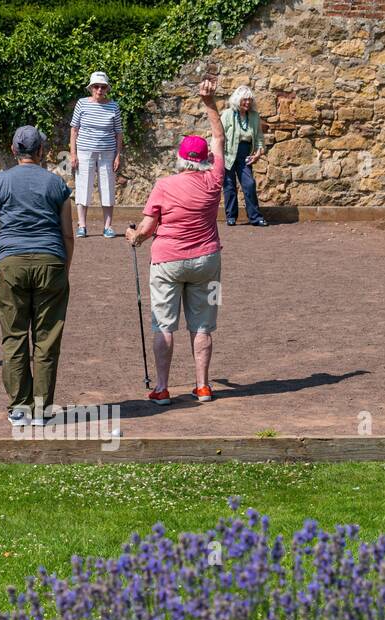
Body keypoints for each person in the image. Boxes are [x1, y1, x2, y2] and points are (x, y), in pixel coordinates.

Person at [125, 75, 224, 405]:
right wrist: (210, 105)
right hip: (207, 261)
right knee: (203, 327)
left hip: (167, 262)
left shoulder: (164, 185)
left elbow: (147, 227)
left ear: (181, 159)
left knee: (164, 326)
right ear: (205, 159)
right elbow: (220, 139)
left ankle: (163, 388)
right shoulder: (214, 181)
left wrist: (133, 237)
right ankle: (204, 386)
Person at [0, 125, 74, 427]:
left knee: (14, 337)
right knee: (46, 340)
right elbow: (68, 235)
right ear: (42, 151)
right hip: (51, 261)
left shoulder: (0, 182)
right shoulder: (56, 184)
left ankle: (19, 408)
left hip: (10, 262)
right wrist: (63, 268)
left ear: (13, 149)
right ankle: (42, 409)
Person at [69, 71, 123, 238]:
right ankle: (82, 225)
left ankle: (108, 226)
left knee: (107, 187)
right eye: (96, 86)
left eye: (103, 86)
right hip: (85, 151)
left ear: (107, 88)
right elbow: (74, 129)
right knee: (83, 186)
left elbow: (119, 132)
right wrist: (73, 153)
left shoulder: (113, 106)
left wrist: (118, 154)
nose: (99, 89)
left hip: (107, 152)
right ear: (91, 88)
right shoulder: (82, 104)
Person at [220, 85, 266, 227]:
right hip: (228, 153)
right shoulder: (227, 114)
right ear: (237, 100)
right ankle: (231, 216)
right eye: (244, 100)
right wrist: (217, 155)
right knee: (229, 186)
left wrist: (258, 154)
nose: (247, 102)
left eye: (250, 100)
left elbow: (259, 137)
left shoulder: (254, 116)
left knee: (249, 184)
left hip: (245, 153)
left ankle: (255, 217)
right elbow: (219, 135)